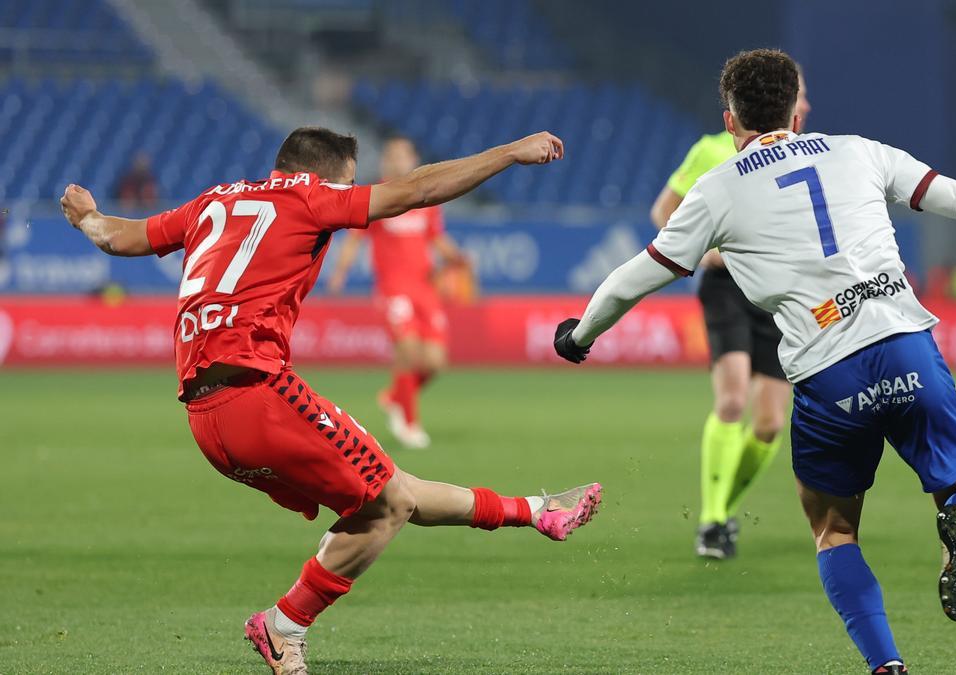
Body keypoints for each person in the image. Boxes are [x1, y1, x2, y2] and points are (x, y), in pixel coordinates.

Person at [552, 49, 956, 674]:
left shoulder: (716, 190)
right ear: (796, 108)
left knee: (834, 532)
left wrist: (579, 335)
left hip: (826, 374)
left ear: (730, 120)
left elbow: (634, 276)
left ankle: (886, 665)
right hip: (905, 346)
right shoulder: (859, 152)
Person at [61, 126, 601, 675]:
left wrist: (85, 215)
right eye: (348, 183)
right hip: (257, 392)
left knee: (390, 491)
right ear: (327, 174)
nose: (349, 194)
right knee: (389, 503)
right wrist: (508, 152)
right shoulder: (308, 196)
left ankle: (536, 511)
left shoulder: (211, 202)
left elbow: (118, 237)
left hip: (206, 418)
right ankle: (283, 625)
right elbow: (414, 191)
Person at [648, 68, 811, 560]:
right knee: (734, 400)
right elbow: (665, 212)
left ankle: (721, 513)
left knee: (767, 425)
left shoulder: (808, 154)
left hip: (779, 293)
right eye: (799, 94)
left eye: (804, 95)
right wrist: (705, 251)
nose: (803, 103)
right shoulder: (711, 150)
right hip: (726, 288)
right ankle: (712, 521)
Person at [327, 135, 469, 448]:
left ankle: (394, 397)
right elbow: (353, 240)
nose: (395, 161)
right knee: (407, 352)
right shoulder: (377, 197)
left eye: (402, 156)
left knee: (434, 362)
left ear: (414, 160)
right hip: (394, 288)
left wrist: (457, 260)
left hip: (425, 287)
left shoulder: (426, 201)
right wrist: (340, 273)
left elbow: (436, 238)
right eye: (390, 156)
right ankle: (409, 422)